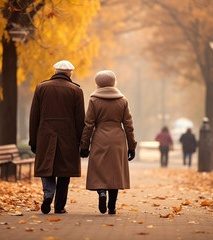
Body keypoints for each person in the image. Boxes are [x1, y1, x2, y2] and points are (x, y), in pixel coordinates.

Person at [29, 60, 85, 214]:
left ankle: (48, 194)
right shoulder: (76, 91)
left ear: (54, 71)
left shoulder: (41, 87)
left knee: (46, 168)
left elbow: (34, 116)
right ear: (70, 73)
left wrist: (33, 140)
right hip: (68, 138)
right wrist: (83, 142)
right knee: (64, 172)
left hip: (45, 136)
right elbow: (80, 120)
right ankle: (59, 206)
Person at [79, 70, 137, 215]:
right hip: (118, 139)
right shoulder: (122, 100)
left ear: (98, 83)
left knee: (100, 168)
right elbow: (128, 125)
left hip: (100, 138)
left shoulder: (94, 100)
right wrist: (132, 146)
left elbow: (89, 124)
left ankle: (101, 192)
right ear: (113, 82)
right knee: (115, 171)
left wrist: (84, 145)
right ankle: (112, 205)